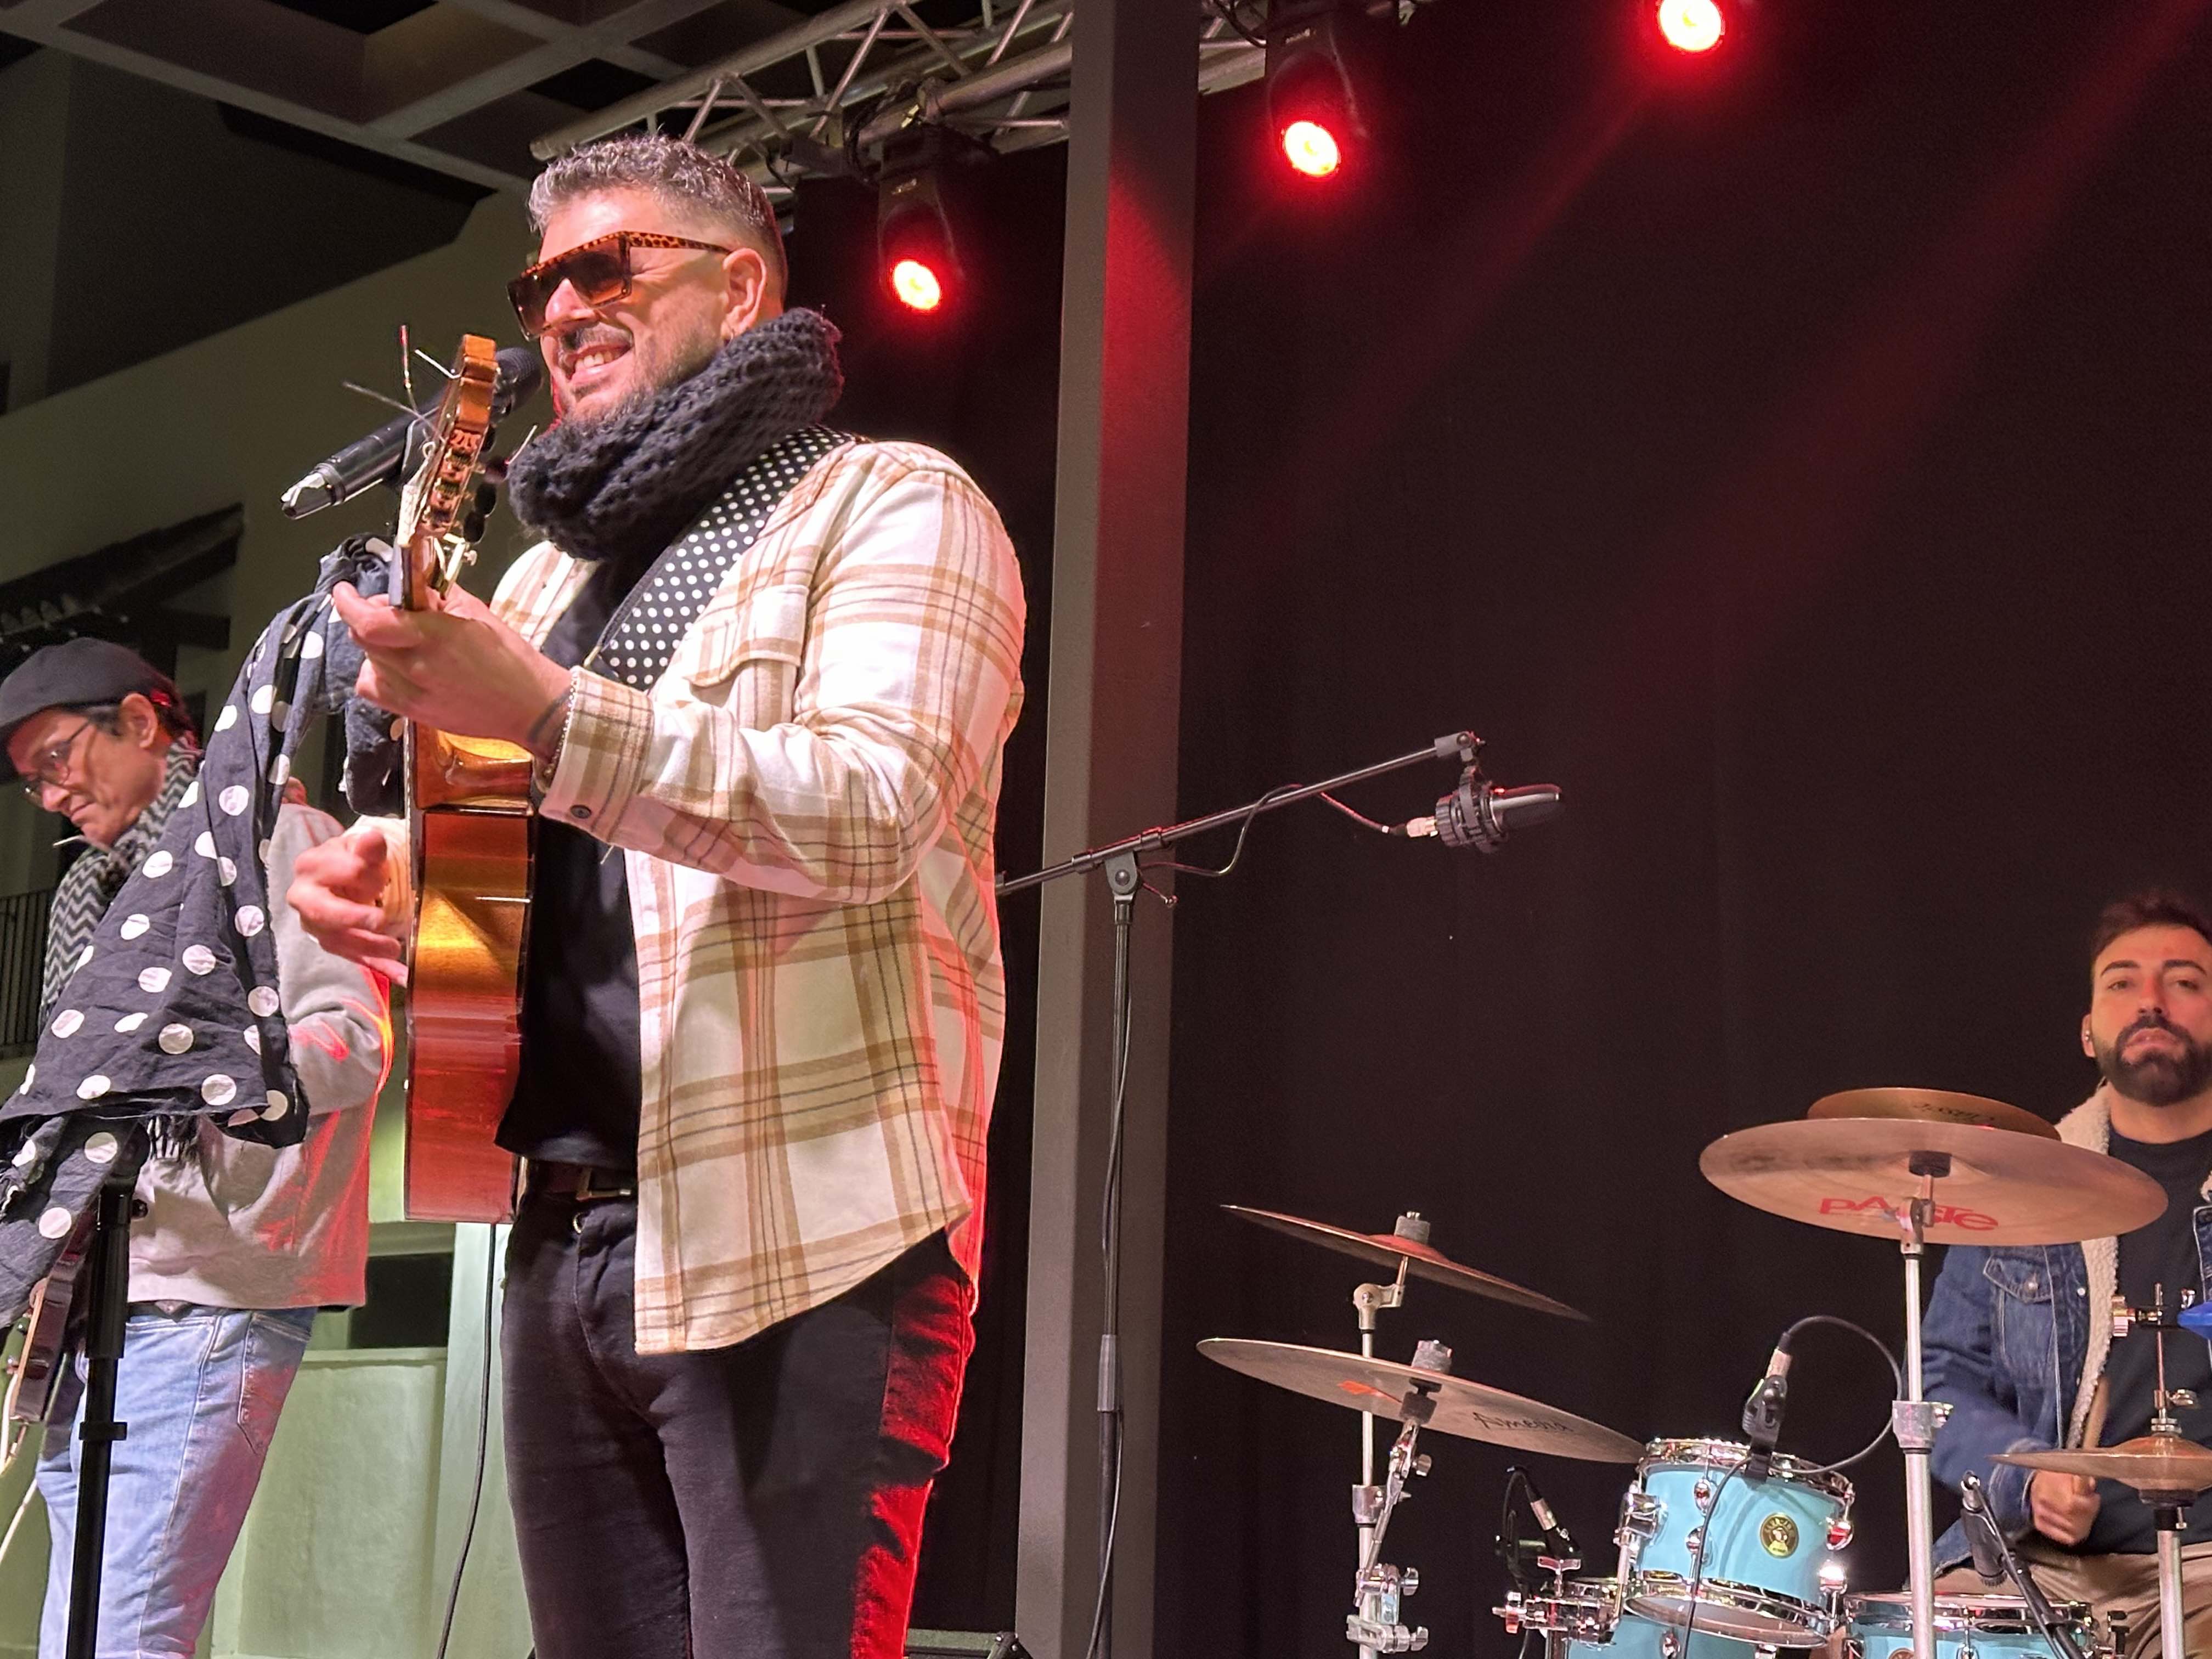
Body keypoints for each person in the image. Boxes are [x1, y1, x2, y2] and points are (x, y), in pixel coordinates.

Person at [286, 133, 1025, 1659]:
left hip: (805, 1227)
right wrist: (404, 891)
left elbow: (869, 811)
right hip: (565, 1234)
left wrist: (546, 713)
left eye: (605, 266)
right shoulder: (543, 586)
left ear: (740, 288)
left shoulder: (890, 502)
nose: (560, 309)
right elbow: (530, 890)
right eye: (540, 285)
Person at [0, 637, 390, 1659]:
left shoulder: (274, 836)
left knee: (128, 1633)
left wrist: (195, 1075)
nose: (50, 796)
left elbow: (352, 1042)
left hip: (212, 1294)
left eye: (57, 760)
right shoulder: (93, 896)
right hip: (99, 1298)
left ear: (140, 722)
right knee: (78, 1631)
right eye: (33, 781)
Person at [1925, 890, 2212, 1658]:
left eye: (2184, 981)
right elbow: (1943, 1380)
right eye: (2123, 981)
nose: (2151, 1001)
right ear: (2089, 1031)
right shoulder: (2024, 1190)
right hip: (2034, 1568)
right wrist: (2029, 1480)